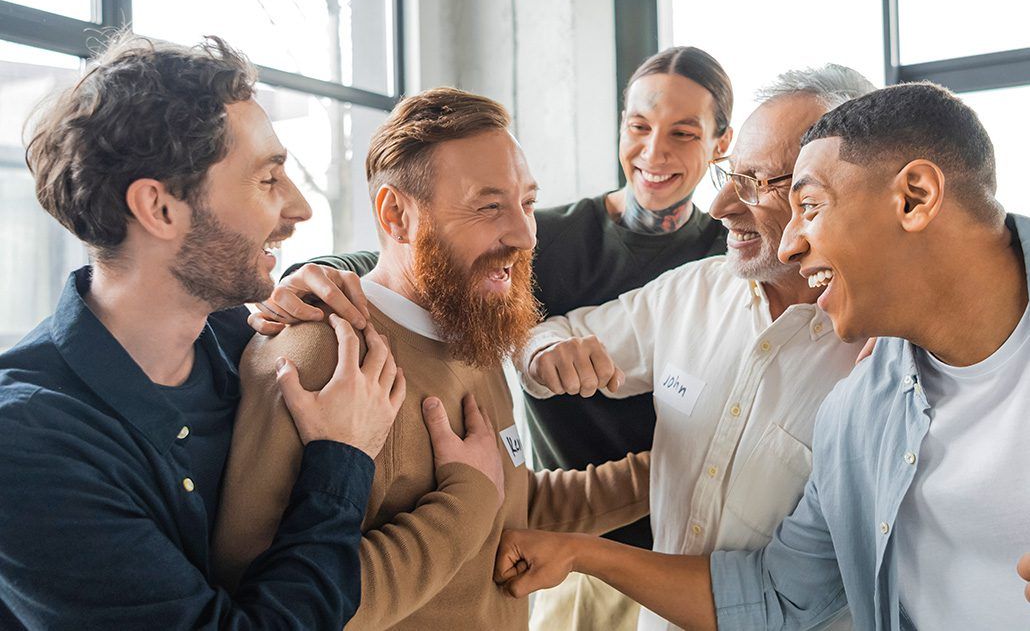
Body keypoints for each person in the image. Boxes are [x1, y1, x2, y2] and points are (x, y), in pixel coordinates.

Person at [494, 82, 1030, 630]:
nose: (792, 244)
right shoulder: (862, 405)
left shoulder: (862, 378)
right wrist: (581, 552)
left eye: (810, 204)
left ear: (913, 197)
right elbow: (778, 594)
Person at [250, 46, 734, 630]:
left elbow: (518, 504)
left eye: (528, 203)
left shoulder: (475, 334)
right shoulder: (320, 359)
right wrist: (305, 272)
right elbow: (288, 606)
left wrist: (693, 462)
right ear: (396, 215)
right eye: (489, 207)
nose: (527, 235)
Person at [0, 34, 415, 629]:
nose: (299, 209)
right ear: (160, 209)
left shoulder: (246, 337)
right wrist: (341, 459)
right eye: (268, 180)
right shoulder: (27, 446)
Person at [516, 65, 874, 631]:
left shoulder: (886, 360)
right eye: (732, 176)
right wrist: (543, 354)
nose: (722, 205)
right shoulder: (696, 288)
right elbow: (537, 326)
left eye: (757, 181)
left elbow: (789, 593)